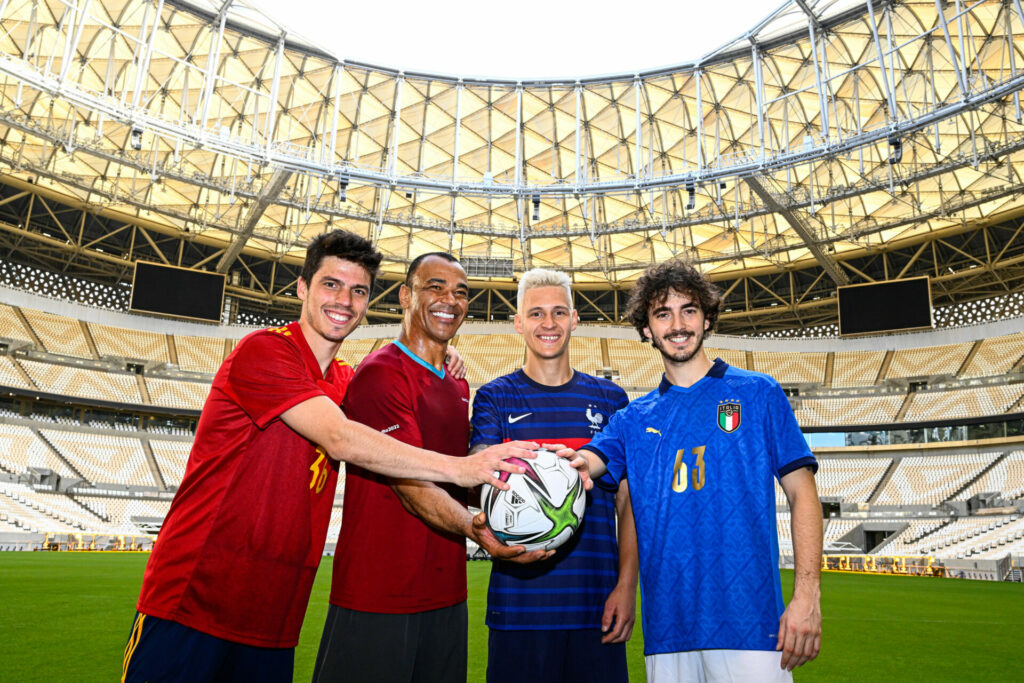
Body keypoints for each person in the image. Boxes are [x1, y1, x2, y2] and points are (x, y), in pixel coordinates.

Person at [122, 233, 536, 683]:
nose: (344, 300)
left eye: (358, 291)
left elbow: (390, 376)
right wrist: (460, 467)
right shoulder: (264, 351)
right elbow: (340, 438)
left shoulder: (345, 379)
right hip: (193, 599)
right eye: (330, 285)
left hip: (274, 619)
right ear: (302, 288)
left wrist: (440, 352)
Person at [569, 259, 823, 682]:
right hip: (669, 634)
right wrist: (536, 466)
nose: (678, 324)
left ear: (707, 319)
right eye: (662, 313)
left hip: (754, 627)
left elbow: (803, 494)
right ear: (647, 329)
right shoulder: (634, 418)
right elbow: (584, 463)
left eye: (689, 310)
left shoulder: (758, 393)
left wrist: (807, 595)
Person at [312, 253, 549, 683]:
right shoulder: (380, 375)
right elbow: (412, 485)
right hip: (378, 594)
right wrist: (480, 529)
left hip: (445, 595)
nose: (450, 299)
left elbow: (461, 475)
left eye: (460, 292)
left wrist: (533, 487)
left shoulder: (457, 381)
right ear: (406, 296)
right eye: (434, 287)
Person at [469, 268, 639, 683]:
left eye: (559, 313)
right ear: (519, 323)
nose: (549, 324)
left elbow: (627, 501)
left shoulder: (611, 398)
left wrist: (627, 586)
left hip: (596, 606)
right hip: (519, 608)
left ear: (575, 319)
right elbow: (478, 472)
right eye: (537, 313)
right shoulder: (495, 396)